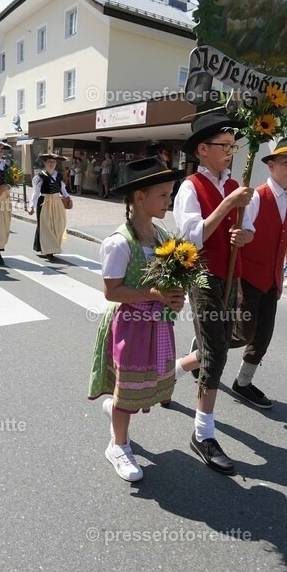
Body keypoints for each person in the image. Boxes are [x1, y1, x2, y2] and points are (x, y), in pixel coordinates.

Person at [88, 157, 183, 482]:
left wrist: (174, 295)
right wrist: (155, 295)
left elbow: (167, 278)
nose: (168, 201)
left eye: (169, 194)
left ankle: (117, 408)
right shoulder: (118, 243)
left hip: (154, 324)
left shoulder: (160, 235)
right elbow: (112, 291)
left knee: (133, 386)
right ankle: (118, 444)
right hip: (129, 325)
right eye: (162, 195)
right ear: (140, 197)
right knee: (127, 388)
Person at [170, 112, 254, 475]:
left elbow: (247, 229)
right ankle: (203, 433)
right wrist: (228, 204)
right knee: (216, 353)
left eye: (233, 147)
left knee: (230, 338)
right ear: (203, 150)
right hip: (202, 275)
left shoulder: (237, 183)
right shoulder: (190, 186)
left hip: (231, 273)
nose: (230, 152)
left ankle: (175, 368)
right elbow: (192, 237)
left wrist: (244, 235)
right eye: (224, 146)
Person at [228, 137, 287, 409]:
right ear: (271, 166)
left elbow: (283, 240)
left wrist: (280, 277)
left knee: (263, 337)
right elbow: (239, 240)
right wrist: (236, 282)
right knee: (241, 334)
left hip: (271, 280)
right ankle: (201, 350)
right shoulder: (257, 195)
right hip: (248, 278)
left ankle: (243, 383)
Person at [28, 151, 70, 262]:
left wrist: (68, 197)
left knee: (57, 225)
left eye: (53, 162)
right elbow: (36, 192)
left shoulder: (58, 176)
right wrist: (31, 206)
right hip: (44, 202)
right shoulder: (40, 177)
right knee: (46, 226)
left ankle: (49, 246)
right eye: (49, 162)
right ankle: (49, 251)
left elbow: (63, 190)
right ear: (45, 163)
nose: (51, 164)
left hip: (57, 202)